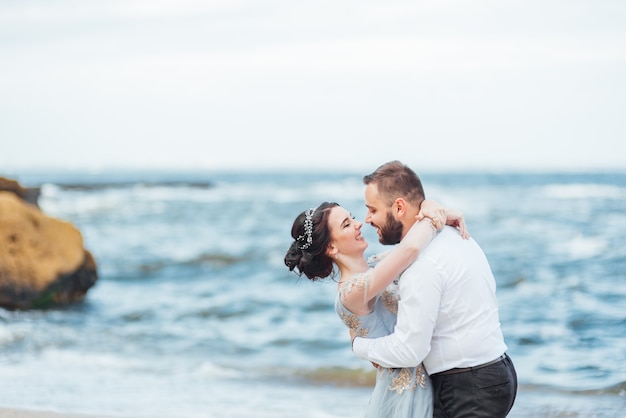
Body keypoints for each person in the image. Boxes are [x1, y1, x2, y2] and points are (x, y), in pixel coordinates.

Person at [351, 160, 518, 418]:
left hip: (468, 387)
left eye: (372, 209)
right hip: (495, 371)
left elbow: (409, 350)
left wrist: (360, 346)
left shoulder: (423, 265)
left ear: (399, 207)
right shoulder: (453, 234)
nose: (367, 219)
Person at [285, 199, 469, 418]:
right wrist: (434, 216)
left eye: (352, 216)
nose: (358, 223)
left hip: (431, 384)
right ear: (331, 247)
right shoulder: (351, 293)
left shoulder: (376, 269)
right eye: (346, 224)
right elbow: (410, 249)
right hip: (405, 399)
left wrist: (430, 206)